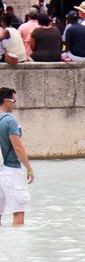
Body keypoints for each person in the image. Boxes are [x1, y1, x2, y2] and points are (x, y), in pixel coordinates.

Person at [0, 88, 34, 226]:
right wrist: (29, 169)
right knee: (19, 211)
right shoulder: (10, 121)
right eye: (14, 101)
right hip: (10, 170)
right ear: (6, 101)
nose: (15, 104)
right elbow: (18, 147)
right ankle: (17, 246)